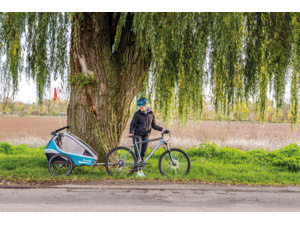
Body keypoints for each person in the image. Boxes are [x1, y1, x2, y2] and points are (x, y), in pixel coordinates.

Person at [129, 97, 164, 177]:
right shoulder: (137, 114)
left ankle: (140, 170)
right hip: (137, 135)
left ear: (146, 105)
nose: (140, 108)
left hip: (146, 136)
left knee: (143, 153)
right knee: (137, 154)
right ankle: (137, 171)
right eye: (139, 106)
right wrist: (131, 132)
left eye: (141, 106)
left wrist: (162, 129)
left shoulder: (151, 114)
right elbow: (132, 124)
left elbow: (153, 125)